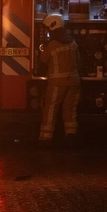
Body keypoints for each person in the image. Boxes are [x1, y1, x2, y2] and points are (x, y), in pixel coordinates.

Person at [38, 14, 81, 148]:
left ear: (52, 27)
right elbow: (79, 61)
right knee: (70, 109)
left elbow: (43, 61)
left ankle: (45, 138)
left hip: (57, 83)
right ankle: (71, 135)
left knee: (51, 109)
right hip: (74, 81)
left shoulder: (52, 45)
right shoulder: (73, 43)